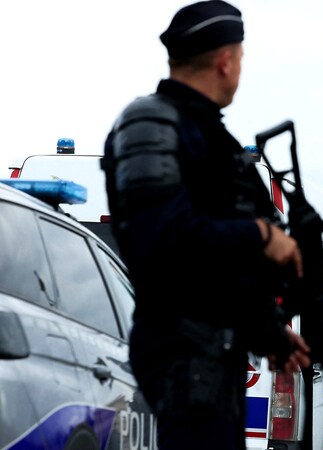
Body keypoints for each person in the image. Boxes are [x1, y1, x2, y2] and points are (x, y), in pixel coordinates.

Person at [102, 2, 311, 449]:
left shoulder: (213, 138)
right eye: (241, 57)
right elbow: (164, 241)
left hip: (216, 360)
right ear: (226, 60)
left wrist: (269, 331)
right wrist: (261, 235)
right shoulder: (151, 122)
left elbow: (218, 271)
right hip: (183, 358)